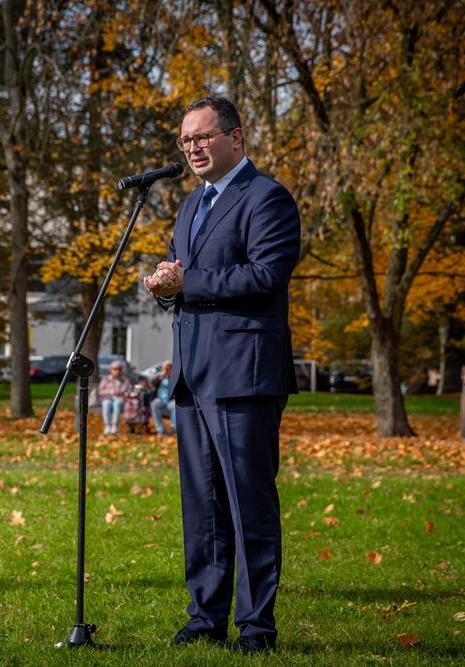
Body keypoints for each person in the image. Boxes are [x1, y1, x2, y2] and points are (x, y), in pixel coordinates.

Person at [144, 96, 300, 653]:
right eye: (186, 141)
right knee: (203, 508)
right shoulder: (190, 207)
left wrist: (187, 282)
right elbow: (184, 273)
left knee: (247, 505)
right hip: (192, 376)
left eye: (203, 137)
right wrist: (166, 283)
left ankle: (257, 628)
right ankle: (203, 618)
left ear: (236, 138)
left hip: (244, 375)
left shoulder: (267, 198)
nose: (192, 148)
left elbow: (265, 275)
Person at [97, 360, 131, 435]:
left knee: (117, 403)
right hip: (108, 399)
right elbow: (100, 391)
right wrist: (110, 392)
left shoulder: (125, 380)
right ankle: (108, 425)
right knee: (106, 403)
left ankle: (114, 425)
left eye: (119, 369)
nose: (117, 371)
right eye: (115, 369)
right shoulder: (106, 379)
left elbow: (129, 391)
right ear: (111, 370)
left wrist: (121, 393)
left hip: (120, 400)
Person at [150, 360, 176, 435]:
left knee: (175, 405)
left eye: (169, 368)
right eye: (166, 368)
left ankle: (173, 427)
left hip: (170, 401)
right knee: (154, 404)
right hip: (160, 401)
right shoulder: (159, 377)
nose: (167, 370)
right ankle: (160, 429)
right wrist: (162, 375)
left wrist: (171, 376)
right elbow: (151, 383)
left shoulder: (174, 378)